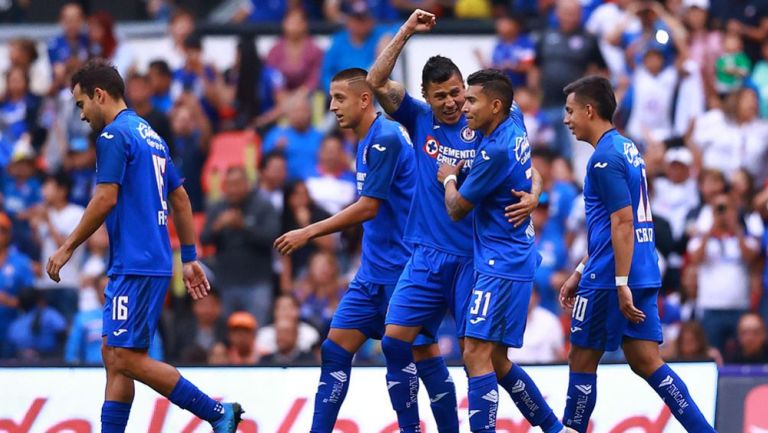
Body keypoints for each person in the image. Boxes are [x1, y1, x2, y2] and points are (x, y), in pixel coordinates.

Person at [367, 11, 543, 432]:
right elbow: (374, 81)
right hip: (427, 255)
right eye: (441, 95)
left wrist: (536, 195)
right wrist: (406, 30)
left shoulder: (490, 118)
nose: (451, 102)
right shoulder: (416, 118)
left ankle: (551, 426)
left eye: (457, 93)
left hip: (475, 260)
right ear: (425, 97)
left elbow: (526, 163)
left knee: (485, 359)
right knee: (393, 342)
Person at [44, 59, 242, 433]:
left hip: (136, 263)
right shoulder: (149, 133)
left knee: (124, 357)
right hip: (147, 260)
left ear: (99, 95)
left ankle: (217, 413)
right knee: (114, 355)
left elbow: (105, 198)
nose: (82, 115)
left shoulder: (114, 135)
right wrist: (190, 256)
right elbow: (180, 198)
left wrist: (68, 246)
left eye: (81, 103)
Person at [558, 75, 715, 432]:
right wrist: (579, 270)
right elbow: (613, 226)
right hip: (641, 270)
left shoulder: (603, 158)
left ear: (588, 109)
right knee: (647, 361)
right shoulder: (628, 148)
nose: (566, 120)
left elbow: (623, 223)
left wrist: (618, 282)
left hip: (613, 277)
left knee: (581, 359)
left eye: (570, 111)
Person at [274, 68, 422, 433]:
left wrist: (309, 231)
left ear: (365, 99)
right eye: (331, 98)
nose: (332, 106)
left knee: (417, 358)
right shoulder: (365, 138)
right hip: (372, 272)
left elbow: (369, 206)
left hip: (404, 272)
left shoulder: (386, 136)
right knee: (335, 348)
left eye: (340, 98)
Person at [437, 69, 571, 433]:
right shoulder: (513, 118)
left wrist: (448, 176)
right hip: (511, 257)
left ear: (495, 106)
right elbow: (533, 171)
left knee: (475, 354)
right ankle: (555, 429)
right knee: (496, 360)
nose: (464, 108)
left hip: (501, 263)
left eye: (471, 101)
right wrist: (536, 192)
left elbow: (456, 208)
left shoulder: (494, 151)